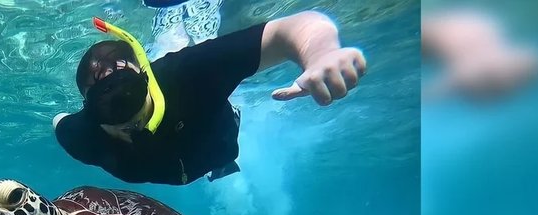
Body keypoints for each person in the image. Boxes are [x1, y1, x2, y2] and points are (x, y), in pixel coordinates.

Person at [52, 11, 367, 186]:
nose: (124, 113)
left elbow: (296, 26)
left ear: (146, 79)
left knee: (223, 149)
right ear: (88, 111)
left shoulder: (188, 74)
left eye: (128, 91)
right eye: (105, 104)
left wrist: (321, 52)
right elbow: (58, 122)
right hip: (170, 168)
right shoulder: (82, 136)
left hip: (216, 141)